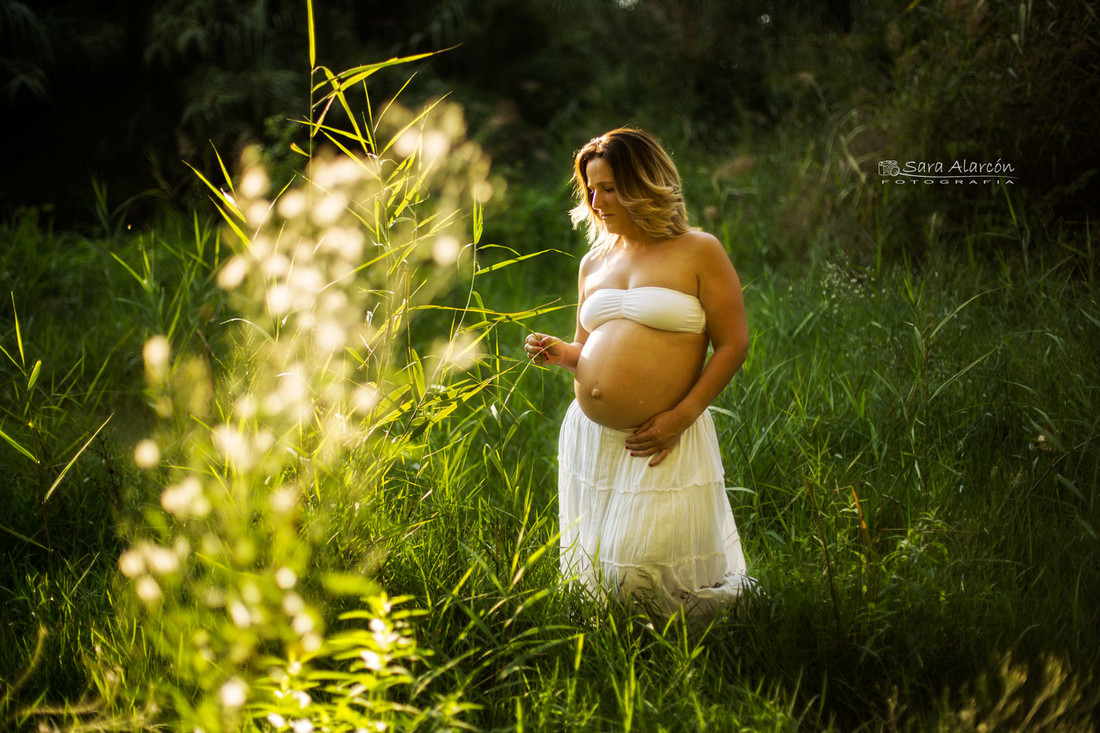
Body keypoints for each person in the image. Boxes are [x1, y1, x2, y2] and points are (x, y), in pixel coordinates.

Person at [524, 127, 753, 618]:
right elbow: (585, 349)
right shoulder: (594, 262)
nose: (596, 201)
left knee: (641, 580)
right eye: (591, 189)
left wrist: (681, 417)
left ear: (642, 184)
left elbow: (734, 344)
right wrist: (560, 353)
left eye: (609, 188)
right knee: (600, 582)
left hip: (662, 433)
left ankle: (706, 649)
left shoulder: (699, 250)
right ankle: (617, 656)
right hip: (593, 438)